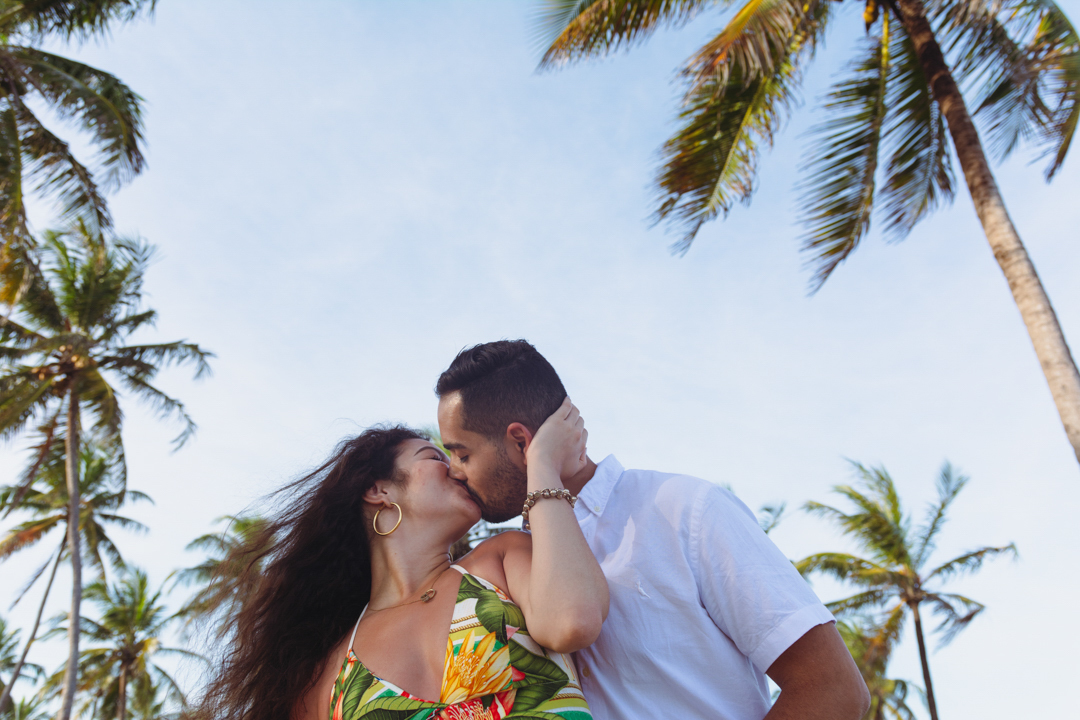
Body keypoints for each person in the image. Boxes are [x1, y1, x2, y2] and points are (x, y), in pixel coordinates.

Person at [436, 340, 872, 720]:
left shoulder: (684, 511)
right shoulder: (502, 571)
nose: (453, 472)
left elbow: (833, 689)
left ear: (521, 443)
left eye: (462, 454)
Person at [195, 403, 607, 720]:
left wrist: (542, 465)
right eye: (434, 457)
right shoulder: (328, 678)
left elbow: (573, 620)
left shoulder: (500, 559)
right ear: (379, 490)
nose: (458, 471)